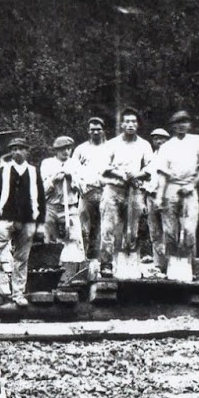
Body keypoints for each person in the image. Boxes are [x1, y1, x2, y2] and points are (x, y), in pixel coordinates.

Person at [0, 136, 46, 301]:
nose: (16, 152)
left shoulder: (33, 171)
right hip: (6, 219)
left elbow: (40, 198)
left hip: (27, 220)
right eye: (13, 149)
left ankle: (18, 293)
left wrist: (40, 224)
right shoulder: (3, 170)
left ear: (26, 151)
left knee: (21, 258)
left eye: (19, 148)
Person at [155, 110, 199, 278]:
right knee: (170, 231)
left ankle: (189, 269)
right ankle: (171, 270)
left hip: (189, 187)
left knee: (189, 230)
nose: (181, 126)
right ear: (173, 126)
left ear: (189, 124)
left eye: (184, 122)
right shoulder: (166, 146)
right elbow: (163, 173)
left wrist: (192, 185)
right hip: (171, 187)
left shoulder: (198, 141)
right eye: (177, 123)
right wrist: (160, 195)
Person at [99, 111, 153, 275]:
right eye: (127, 122)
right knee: (108, 227)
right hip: (113, 189)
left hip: (135, 190)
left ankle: (129, 265)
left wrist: (137, 174)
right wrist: (121, 174)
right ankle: (106, 264)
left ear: (137, 125)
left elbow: (151, 168)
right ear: (121, 124)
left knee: (132, 230)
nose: (130, 125)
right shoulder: (111, 144)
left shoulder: (144, 145)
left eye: (133, 122)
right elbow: (103, 167)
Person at [69, 116, 109, 262]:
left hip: (105, 192)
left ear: (103, 130)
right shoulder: (81, 149)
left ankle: (102, 263)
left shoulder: (110, 148)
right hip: (87, 193)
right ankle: (84, 261)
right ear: (88, 131)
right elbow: (73, 170)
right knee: (84, 229)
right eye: (93, 129)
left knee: (104, 229)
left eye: (98, 129)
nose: (96, 132)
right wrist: (79, 185)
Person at [40, 136, 83, 251]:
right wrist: (53, 180)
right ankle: (50, 265)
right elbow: (42, 190)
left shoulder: (75, 164)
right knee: (48, 241)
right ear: (56, 150)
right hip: (51, 208)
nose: (66, 152)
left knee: (74, 240)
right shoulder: (47, 164)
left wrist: (72, 177)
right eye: (62, 149)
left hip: (70, 208)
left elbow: (83, 187)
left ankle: (72, 266)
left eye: (68, 148)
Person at [144, 127, 170, 274]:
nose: (158, 141)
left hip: (166, 198)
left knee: (168, 231)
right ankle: (158, 264)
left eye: (161, 138)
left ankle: (170, 263)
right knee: (154, 232)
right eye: (155, 138)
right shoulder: (152, 157)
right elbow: (146, 176)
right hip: (151, 196)